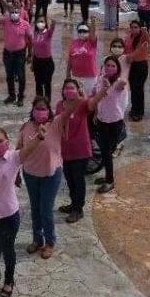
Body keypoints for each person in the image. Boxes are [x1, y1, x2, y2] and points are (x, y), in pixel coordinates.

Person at [0, 125, 58, 297]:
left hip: (8, 214)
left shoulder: (14, 157)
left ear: (7, 141)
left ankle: (9, 280)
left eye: (0, 141)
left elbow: (28, 149)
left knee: (7, 248)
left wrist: (39, 137)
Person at [18, 97, 67, 259]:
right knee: (35, 209)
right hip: (30, 174)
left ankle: (50, 242)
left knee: (46, 210)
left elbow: (71, 110)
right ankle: (37, 239)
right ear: (32, 110)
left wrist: (77, 96)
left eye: (43, 108)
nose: (40, 111)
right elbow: (18, 152)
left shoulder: (56, 124)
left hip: (51, 174)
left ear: (49, 110)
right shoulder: (25, 127)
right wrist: (16, 173)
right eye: (37, 108)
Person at [56, 79, 94, 222]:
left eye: (72, 88)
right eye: (66, 88)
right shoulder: (60, 105)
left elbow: (92, 104)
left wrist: (98, 92)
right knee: (69, 178)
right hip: (66, 149)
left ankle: (79, 209)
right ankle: (73, 203)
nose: (69, 90)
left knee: (78, 179)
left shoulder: (83, 104)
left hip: (80, 149)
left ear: (78, 90)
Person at [90, 56, 129, 194]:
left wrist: (120, 74)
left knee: (107, 152)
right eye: (108, 65)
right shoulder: (100, 79)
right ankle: (108, 175)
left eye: (113, 66)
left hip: (114, 121)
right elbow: (97, 98)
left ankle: (109, 182)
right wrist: (95, 113)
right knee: (106, 151)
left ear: (117, 68)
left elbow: (123, 82)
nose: (110, 68)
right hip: (101, 119)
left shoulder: (118, 82)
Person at [0, 1, 32, 107]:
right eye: (12, 12)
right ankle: (11, 95)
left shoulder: (25, 24)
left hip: (20, 54)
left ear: (19, 13)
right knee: (9, 76)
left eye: (16, 12)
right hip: (7, 53)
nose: (14, 13)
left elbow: (30, 39)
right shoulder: (6, 21)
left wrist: (30, 54)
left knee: (21, 76)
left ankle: (21, 96)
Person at [123, 21, 150, 121]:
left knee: (138, 88)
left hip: (141, 65)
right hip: (131, 65)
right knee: (133, 88)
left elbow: (148, 40)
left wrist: (145, 32)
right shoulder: (129, 37)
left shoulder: (142, 37)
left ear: (139, 28)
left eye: (136, 27)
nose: (134, 29)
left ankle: (139, 111)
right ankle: (134, 108)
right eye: (132, 27)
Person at [66, 19, 99, 94]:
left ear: (89, 32)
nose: (82, 33)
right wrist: (68, 74)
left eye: (85, 31)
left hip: (90, 78)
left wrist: (93, 22)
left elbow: (93, 33)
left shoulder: (92, 42)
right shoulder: (74, 42)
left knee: (90, 99)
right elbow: (70, 59)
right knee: (77, 100)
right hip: (76, 76)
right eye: (80, 31)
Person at [31, 16, 56, 99]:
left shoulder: (48, 33)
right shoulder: (36, 33)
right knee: (38, 83)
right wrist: (32, 62)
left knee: (47, 84)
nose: (40, 23)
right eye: (38, 22)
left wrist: (53, 22)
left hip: (47, 62)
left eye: (42, 21)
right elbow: (34, 49)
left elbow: (52, 27)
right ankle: (39, 102)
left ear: (45, 23)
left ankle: (47, 103)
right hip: (37, 62)